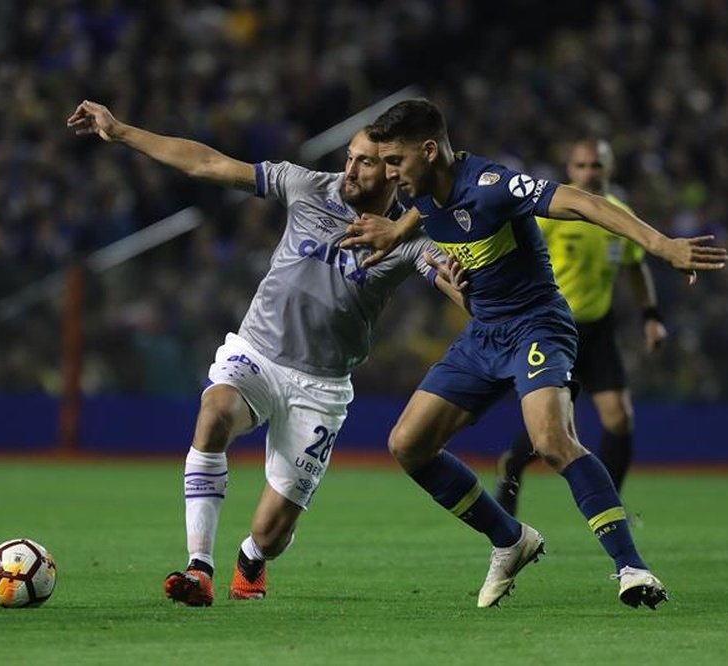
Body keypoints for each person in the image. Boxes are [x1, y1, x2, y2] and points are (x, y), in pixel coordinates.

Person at [67, 100, 466, 606]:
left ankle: (251, 557)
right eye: (349, 157)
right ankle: (199, 568)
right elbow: (208, 164)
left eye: (365, 162)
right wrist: (121, 131)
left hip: (320, 388)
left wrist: (480, 292)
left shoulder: (408, 237)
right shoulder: (307, 187)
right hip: (258, 353)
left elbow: (453, 281)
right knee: (213, 414)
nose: (350, 169)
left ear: (392, 170)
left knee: (272, 532)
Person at [341, 99, 727, 609]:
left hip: (536, 326)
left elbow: (586, 203)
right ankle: (510, 538)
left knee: (551, 438)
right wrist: (396, 231)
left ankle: (631, 568)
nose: (389, 174)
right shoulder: (424, 191)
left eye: (395, 162)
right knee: (408, 444)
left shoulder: (493, 186)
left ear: (429, 151)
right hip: (484, 333)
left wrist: (661, 246)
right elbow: (430, 208)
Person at [494, 138, 667, 516]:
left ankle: (610, 504)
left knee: (619, 418)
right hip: (553, 327)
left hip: (598, 327)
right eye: (582, 166)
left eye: (597, 166)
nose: (590, 173)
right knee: (551, 428)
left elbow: (635, 266)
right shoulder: (552, 212)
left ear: (609, 169)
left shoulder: (619, 215)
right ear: (570, 170)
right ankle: (513, 465)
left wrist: (650, 315)